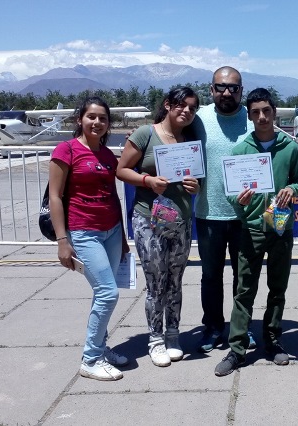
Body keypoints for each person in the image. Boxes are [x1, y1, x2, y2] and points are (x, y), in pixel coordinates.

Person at [214, 88, 298, 377]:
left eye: (266, 110)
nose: (262, 116)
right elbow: (231, 194)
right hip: (251, 228)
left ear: (274, 112)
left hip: (280, 228)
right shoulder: (240, 150)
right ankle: (237, 349)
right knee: (244, 291)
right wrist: (238, 201)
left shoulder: (289, 148)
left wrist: (292, 189)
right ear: (249, 116)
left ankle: (273, 341)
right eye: (256, 112)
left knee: (277, 289)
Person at [116, 87, 200, 367]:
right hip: (149, 221)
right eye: (181, 105)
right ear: (167, 105)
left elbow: (196, 179)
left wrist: (195, 186)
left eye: (192, 108)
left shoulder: (190, 140)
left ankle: (173, 334)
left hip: (181, 220)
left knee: (175, 281)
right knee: (156, 282)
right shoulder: (145, 134)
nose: (186, 111)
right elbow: (121, 170)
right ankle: (155, 338)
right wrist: (147, 181)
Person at [49, 96, 130, 381]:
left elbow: (113, 197)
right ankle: (91, 359)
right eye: (91, 117)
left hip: (111, 231)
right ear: (79, 120)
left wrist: (122, 236)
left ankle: (101, 348)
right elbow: (55, 197)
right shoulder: (67, 150)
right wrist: (62, 240)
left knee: (102, 293)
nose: (97, 122)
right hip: (84, 232)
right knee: (108, 293)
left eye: (103, 118)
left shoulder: (107, 155)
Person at [191, 66, 257, 353]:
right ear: (211, 89)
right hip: (208, 213)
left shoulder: (253, 117)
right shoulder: (198, 118)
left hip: (245, 215)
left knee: (244, 278)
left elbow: (278, 145)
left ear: (241, 90)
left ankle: (241, 327)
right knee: (210, 276)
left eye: (233, 87)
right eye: (221, 87)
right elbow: (167, 134)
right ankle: (213, 327)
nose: (227, 92)